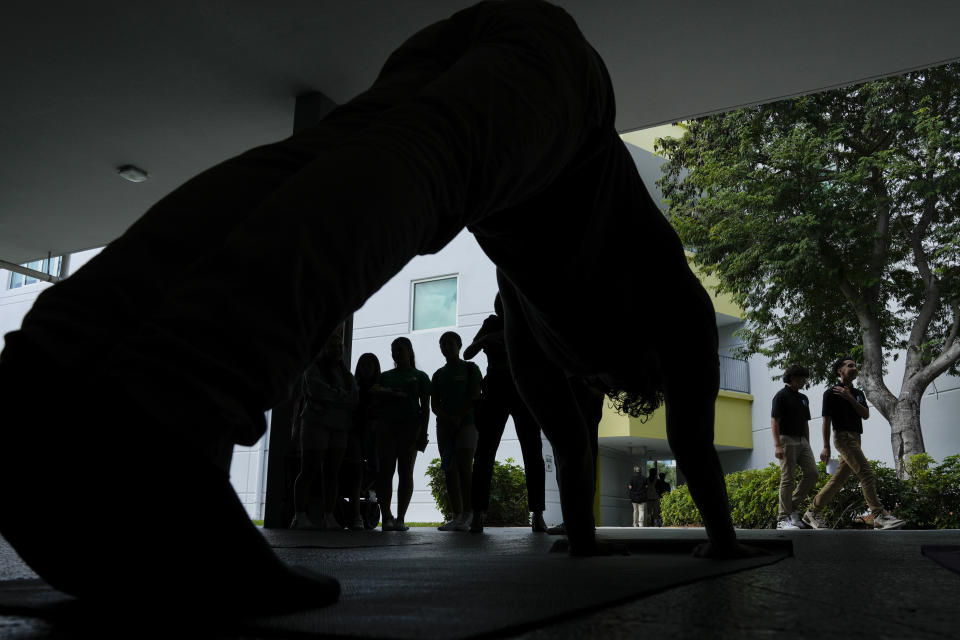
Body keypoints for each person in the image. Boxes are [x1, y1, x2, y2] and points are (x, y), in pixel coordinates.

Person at [0, 0, 746, 615]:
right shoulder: (673, 300)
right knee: (429, 162)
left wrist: (583, 542)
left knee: (332, 153)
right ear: (636, 355)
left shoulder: (534, 321)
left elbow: (575, 449)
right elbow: (682, 437)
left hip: (469, 43)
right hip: (561, 77)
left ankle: (52, 363)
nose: (594, 386)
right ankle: (168, 415)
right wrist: (722, 540)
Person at [466, 294, 548, 534]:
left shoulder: (527, 321)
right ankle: (478, 513)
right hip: (495, 386)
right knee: (485, 451)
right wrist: (490, 338)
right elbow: (468, 353)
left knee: (532, 450)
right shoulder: (491, 322)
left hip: (522, 385)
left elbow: (542, 353)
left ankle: (538, 514)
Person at [802, 356, 905, 530]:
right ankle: (879, 516)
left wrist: (850, 397)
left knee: (838, 480)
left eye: (855, 366)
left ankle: (812, 512)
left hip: (856, 437)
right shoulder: (831, 393)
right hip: (843, 438)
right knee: (866, 473)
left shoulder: (858, 394)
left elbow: (865, 414)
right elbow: (826, 421)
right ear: (840, 371)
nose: (854, 368)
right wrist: (826, 446)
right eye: (850, 366)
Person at [292, 332, 359, 531]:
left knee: (332, 472)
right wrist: (342, 396)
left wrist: (334, 398)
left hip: (339, 426)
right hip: (316, 424)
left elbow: (355, 397)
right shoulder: (313, 368)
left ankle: (329, 516)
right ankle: (299, 515)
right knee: (309, 469)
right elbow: (317, 391)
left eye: (339, 347)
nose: (337, 350)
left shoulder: (345, 373)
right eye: (332, 346)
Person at [374, 337, 430, 532]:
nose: (397, 353)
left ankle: (401, 518)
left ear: (409, 351)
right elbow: (375, 398)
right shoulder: (384, 376)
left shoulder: (421, 376)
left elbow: (426, 407)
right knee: (385, 472)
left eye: (400, 349)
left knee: (405, 472)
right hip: (386, 429)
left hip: (410, 429)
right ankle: (386, 516)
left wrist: (423, 433)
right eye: (394, 350)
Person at [432, 331, 482, 532]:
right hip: (444, 427)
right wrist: (448, 418)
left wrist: (459, 417)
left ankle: (469, 514)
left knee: (464, 468)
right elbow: (434, 404)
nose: (447, 347)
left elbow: (474, 395)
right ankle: (456, 515)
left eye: (451, 343)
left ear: (459, 345)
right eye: (443, 344)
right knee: (449, 469)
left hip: (468, 424)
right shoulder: (438, 374)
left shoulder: (470, 368)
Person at [771, 364, 817, 530]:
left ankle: (791, 508)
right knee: (788, 478)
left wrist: (808, 443)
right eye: (801, 378)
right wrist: (777, 445)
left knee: (812, 473)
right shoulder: (781, 396)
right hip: (786, 440)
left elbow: (805, 422)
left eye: (805, 378)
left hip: (802, 441)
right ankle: (782, 519)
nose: (804, 381)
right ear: (791, 378)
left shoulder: (803, 398)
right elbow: (775, 421)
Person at [346, 352, 383, 530]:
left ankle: (382, 513)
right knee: (356, 474)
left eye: (370, 365)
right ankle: (356, 515)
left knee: (375, 473)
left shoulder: (379, 388)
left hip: (371, 435)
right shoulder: (355, 386)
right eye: (363, 365)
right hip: (356, 434)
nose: (366, 369)